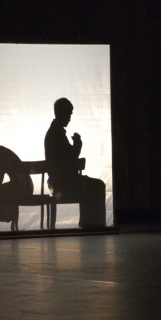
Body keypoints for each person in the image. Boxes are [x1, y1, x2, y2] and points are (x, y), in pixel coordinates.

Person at [44, 97, 107, 228]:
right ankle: (93, 224)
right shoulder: (57, 134)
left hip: (59, 180)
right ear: (63, 113)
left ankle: (89, 222)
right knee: (98, 185)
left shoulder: (54, 132)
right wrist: (78, 144)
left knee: (93, 185)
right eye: (69, 114)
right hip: (63, 182)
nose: (70, 118)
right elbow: (71, 159)